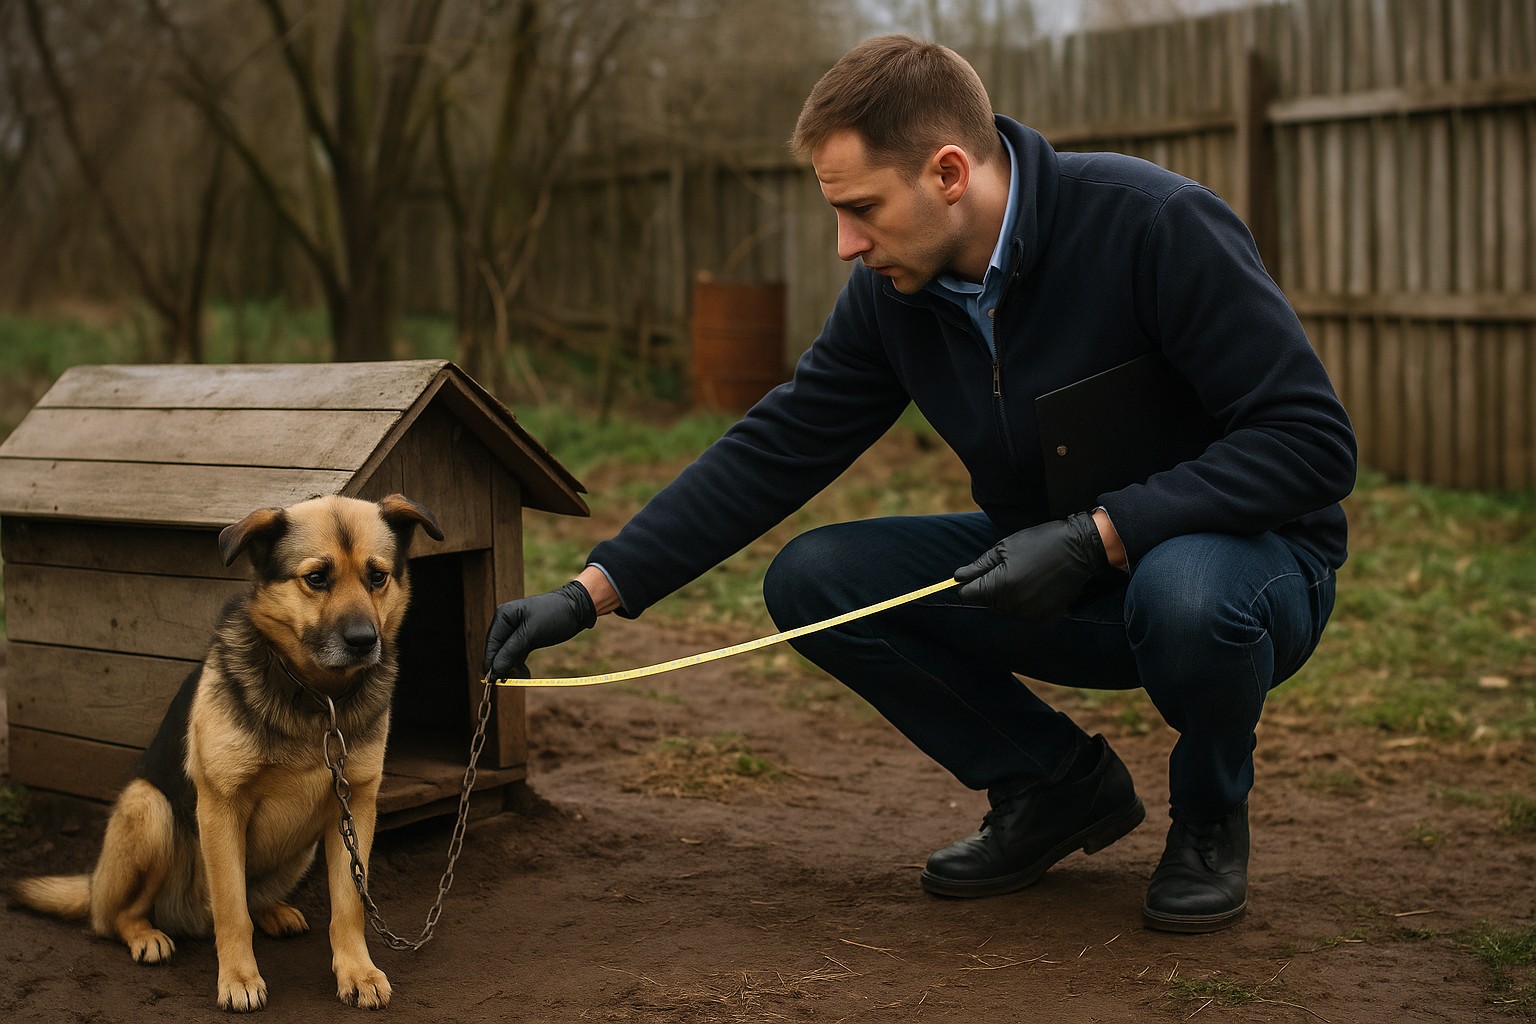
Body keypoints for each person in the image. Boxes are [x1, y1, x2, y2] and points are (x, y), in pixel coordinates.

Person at [485, 34, 1356, 934]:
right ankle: (1053, 786)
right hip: (1061, 576)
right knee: (817, 580)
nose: (844, 244)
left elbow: (1311, 441)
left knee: (1184, 595)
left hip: (1244, 577)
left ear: (948, 172)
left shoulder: (1151, 224)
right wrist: (590, 594)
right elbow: (777, 446)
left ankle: (1210, 816)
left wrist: (1101, 532)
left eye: (861, 208)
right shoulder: (894, 295)